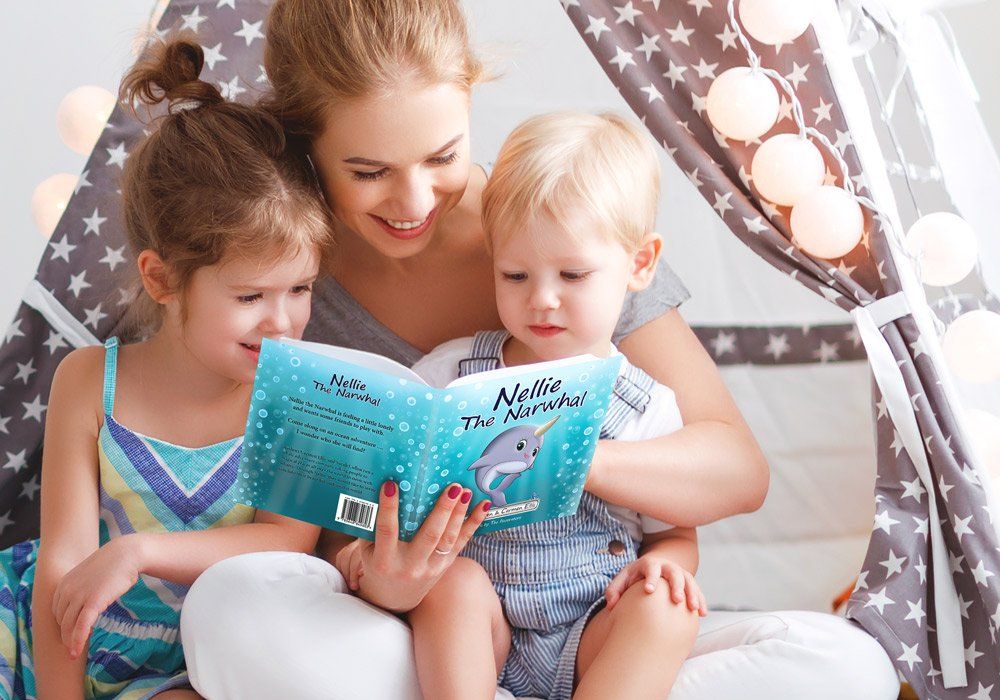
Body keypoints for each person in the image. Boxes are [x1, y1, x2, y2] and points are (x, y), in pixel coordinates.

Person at [179, 1, 899, 698]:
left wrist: (572, 458)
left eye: (443, 156)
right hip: (422, 635)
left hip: (594, 636)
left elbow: (734, 472)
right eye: (368, 172)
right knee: (231, 609)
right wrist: (383, 574)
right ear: (309, 148)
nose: (415, 199)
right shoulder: (287, 280)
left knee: (849, 669)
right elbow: (319, 527)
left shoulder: (558, 224)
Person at [2, 39, 331, 699]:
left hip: (193, 661)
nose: (282, 320)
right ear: (162, 278)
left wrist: (139, 551)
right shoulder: (90, 382)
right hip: (55, 638)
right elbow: (62, 569)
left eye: (300, 288)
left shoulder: (303, 395)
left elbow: (286, 542)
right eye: (249, 296)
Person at [389, 111, 706, 700]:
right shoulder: (451, 373)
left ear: (639, 264)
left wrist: (669, 567)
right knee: (450, 583)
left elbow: (673, 535)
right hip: (484, 627)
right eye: (515, 275)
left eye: (573, 274)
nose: (542, 300)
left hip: (594, 624)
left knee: (667, 608)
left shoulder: (645, 406)